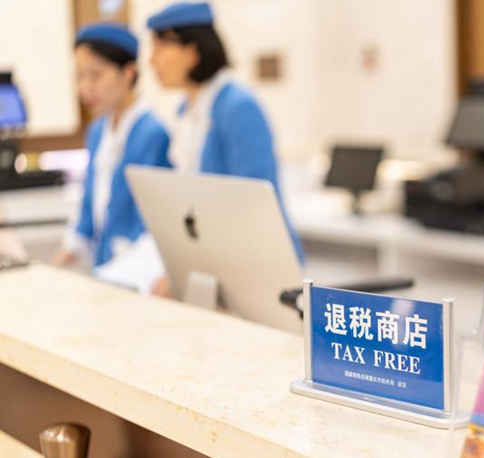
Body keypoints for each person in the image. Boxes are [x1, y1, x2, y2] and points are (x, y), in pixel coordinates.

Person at [98, 2, 304, 296]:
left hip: (260, 275)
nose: (152, 61)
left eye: (159, 48)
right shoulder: (188, 111)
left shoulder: (238, 107)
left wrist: (181, 274)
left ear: (192, 51)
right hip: (215, 271)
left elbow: (254, 211)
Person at [52, 23, 171, 270]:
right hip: (107, 267)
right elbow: (89, 208)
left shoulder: (152, 133)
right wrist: (57, 263)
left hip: (137, 271)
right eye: (79, 77)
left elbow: (153, 225)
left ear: (128, 73)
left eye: (95, 75)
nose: (85, 88)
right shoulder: (98, 131)